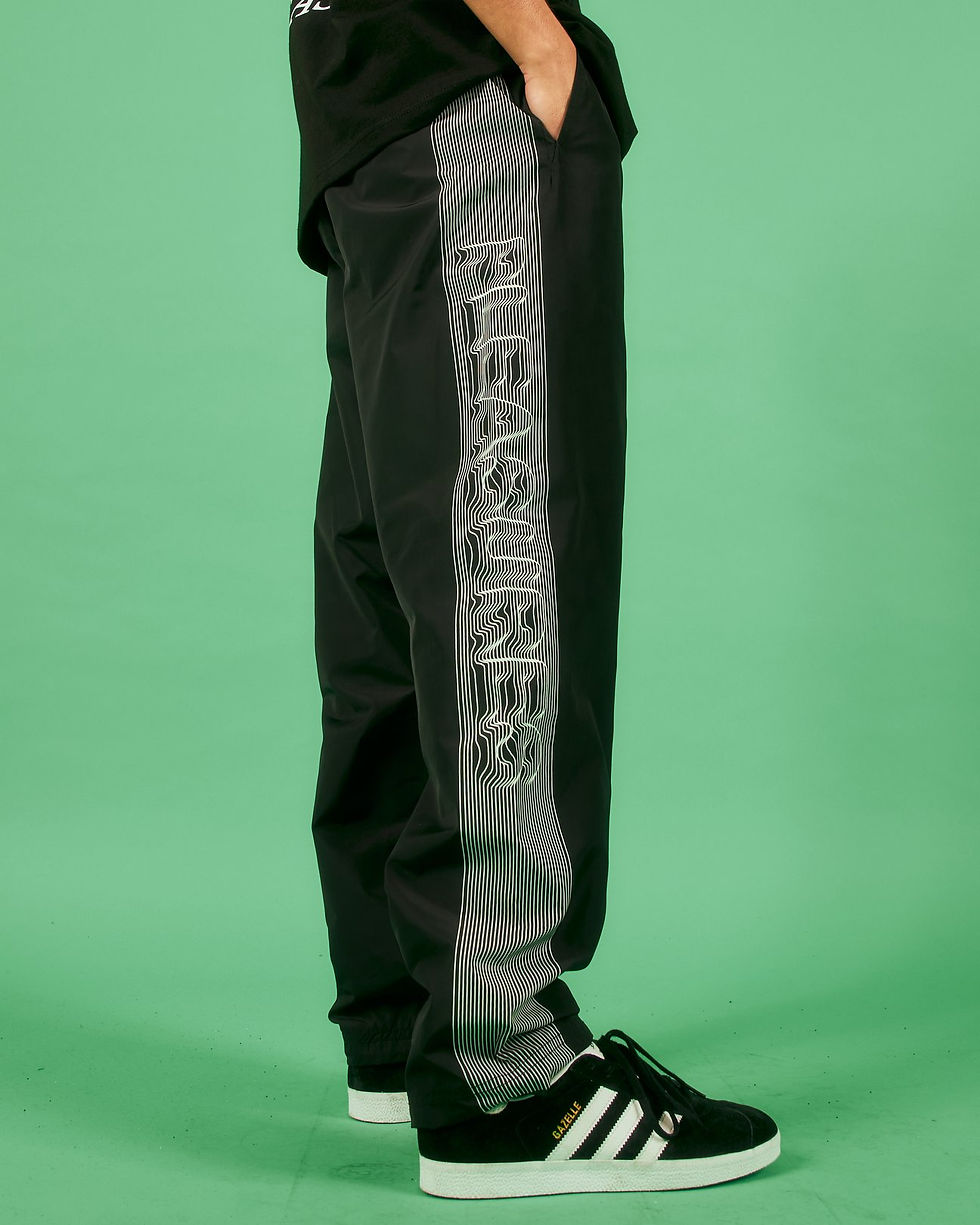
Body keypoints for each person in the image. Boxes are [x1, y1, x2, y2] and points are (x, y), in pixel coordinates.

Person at [287, 0, 780, 1200]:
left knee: (398, 592)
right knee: (502, 576)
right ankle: (502, 1068)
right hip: (459, 101)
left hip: (365, 118)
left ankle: (405, 1024)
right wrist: (542, 50)